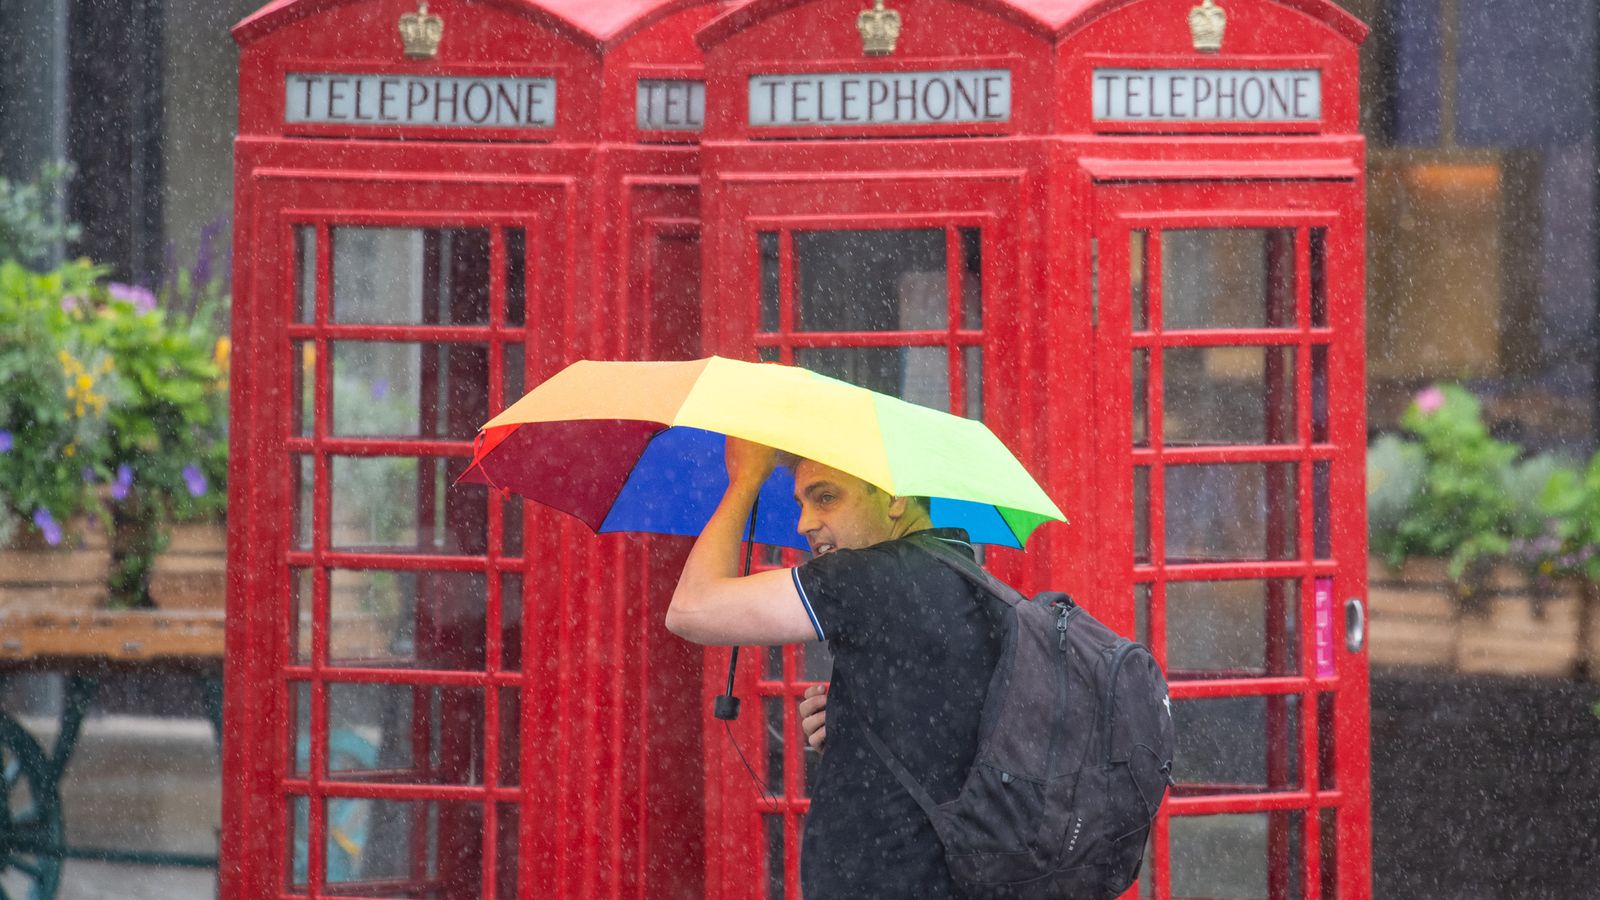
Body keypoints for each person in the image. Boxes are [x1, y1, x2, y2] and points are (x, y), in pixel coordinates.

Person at [666, 437, 1004, 899]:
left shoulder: (871, 575)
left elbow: (690, 609)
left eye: (826, 497)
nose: (805, 523)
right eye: (802, 502)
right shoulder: (961, 575)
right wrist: (856, 721)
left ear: (895, 495)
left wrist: (745, 483)